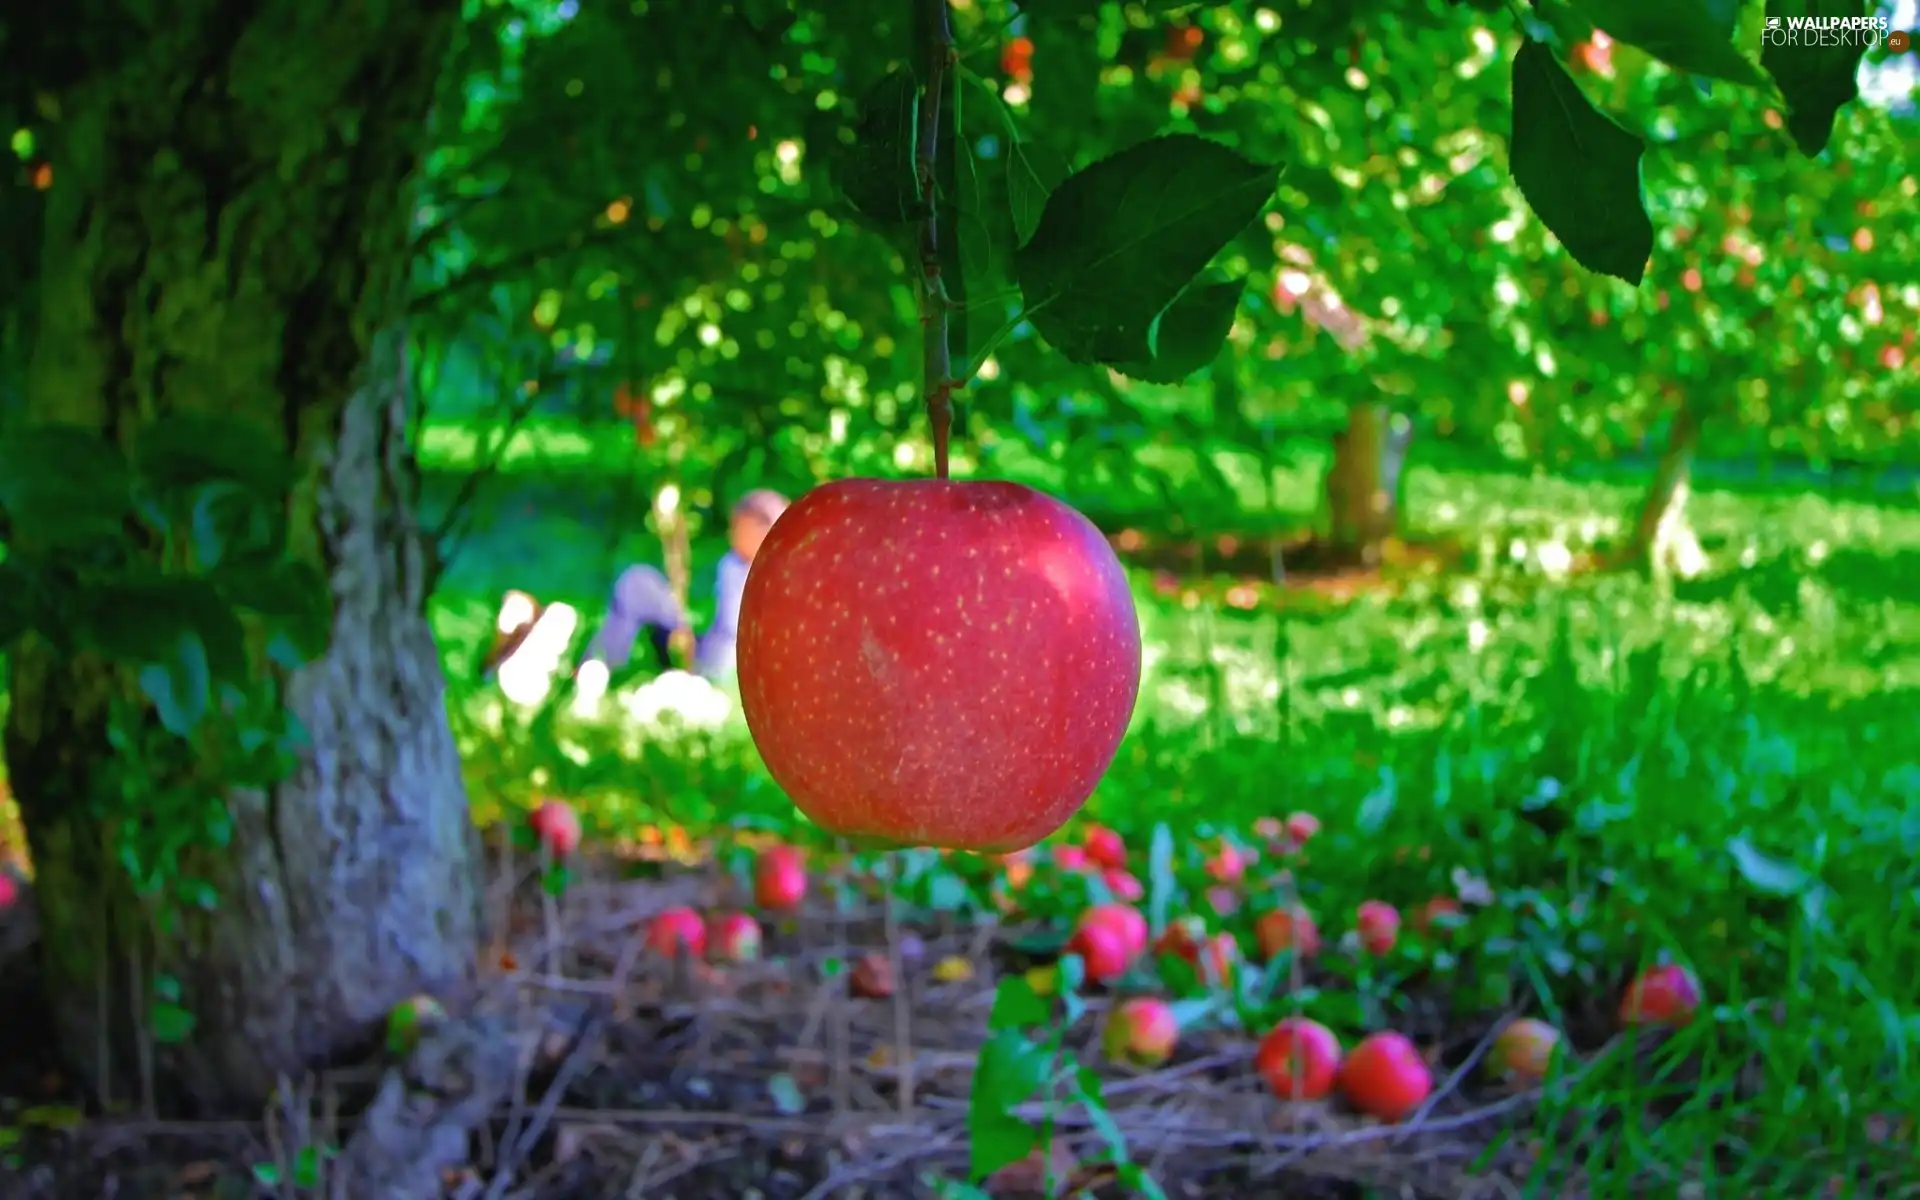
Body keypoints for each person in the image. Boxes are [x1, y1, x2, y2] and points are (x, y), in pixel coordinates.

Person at [584, 488, 790, 681]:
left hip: (711, 666)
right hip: (702, 648)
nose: (731, 535)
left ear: (761, 528)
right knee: (636, 583)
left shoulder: (779, 577)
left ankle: (597, 667)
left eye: (737, 527)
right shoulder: (734, 562)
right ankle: (598, 664)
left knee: (636, 586)